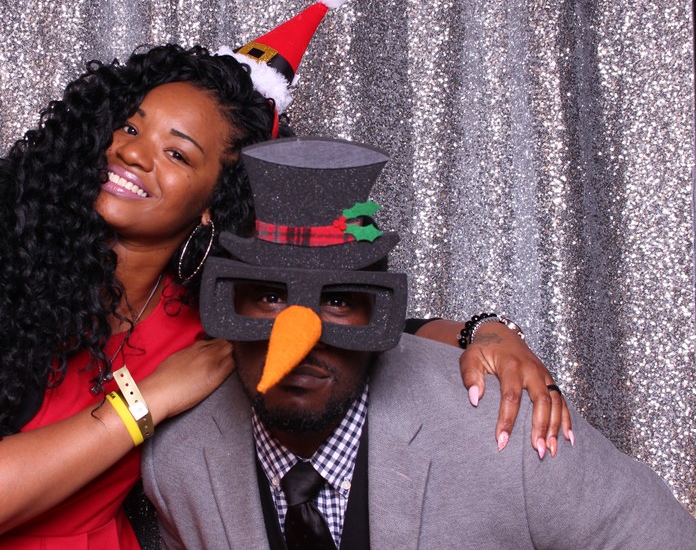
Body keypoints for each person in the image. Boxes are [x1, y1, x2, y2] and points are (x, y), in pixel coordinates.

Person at [0, 0, 566, 549]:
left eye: (177, 153)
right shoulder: (0, 267)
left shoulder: (209, 306)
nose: (132, 153)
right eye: (131, 126)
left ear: (217, 202)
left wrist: (481, 333)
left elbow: (352, 321)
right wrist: (145, 400)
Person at [141, 136, 696, 549]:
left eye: (338, 301)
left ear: (378, 314)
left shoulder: (507, 436)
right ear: (226, 305)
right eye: (268, 298)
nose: (300, 340)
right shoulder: (178, 462)